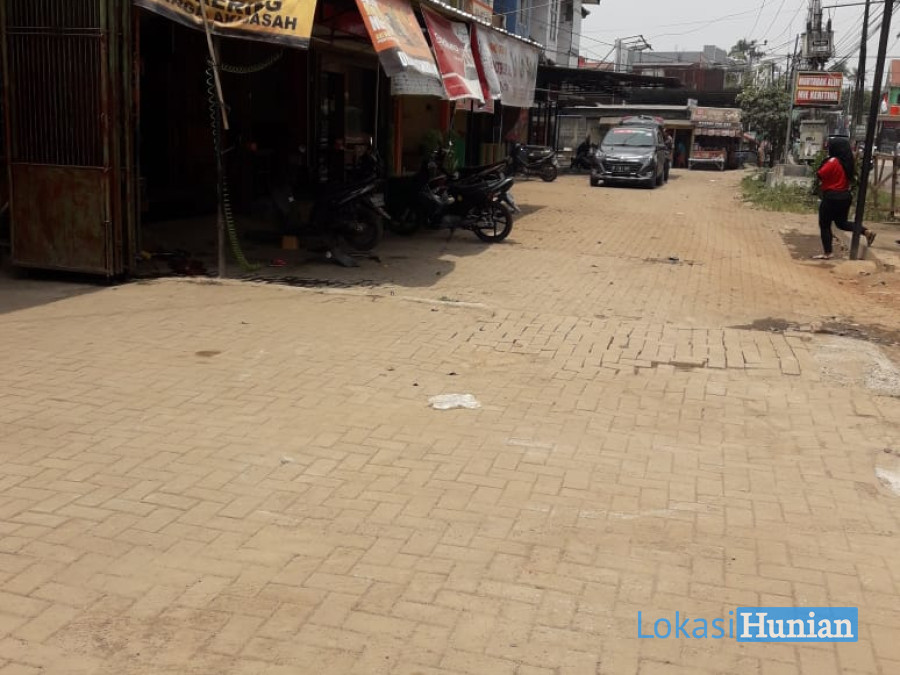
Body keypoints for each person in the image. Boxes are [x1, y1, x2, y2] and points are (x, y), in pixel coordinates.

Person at [814, 136, 876, 260]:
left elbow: (820, 174)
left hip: (831, 196)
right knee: (842, 223)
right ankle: (865, 231)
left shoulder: (833, 161)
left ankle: (828, 253)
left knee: (825, 224)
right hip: (845, 196)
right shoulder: (848, 162)